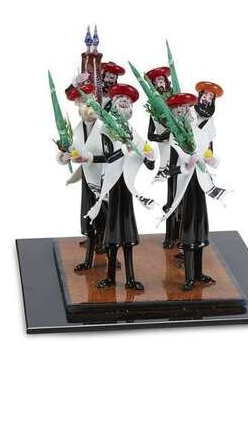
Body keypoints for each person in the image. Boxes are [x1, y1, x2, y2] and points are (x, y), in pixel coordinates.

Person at [85, 84, 156, 290]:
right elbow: (109, 156)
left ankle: (130, 278)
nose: (125, 102)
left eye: (128, 101)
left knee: (127, 233)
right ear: (114, 104)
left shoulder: (133, 132)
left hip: (127, 187)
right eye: (121, 99)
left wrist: (150, 157)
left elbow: (147, 160)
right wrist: (125, 149)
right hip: (113, 185)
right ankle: (110, 277)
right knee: (113, 233)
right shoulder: (106, 129)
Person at [161, 89, 225, 290]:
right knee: (188, 229)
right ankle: (189, 277)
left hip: (200, 185)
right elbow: (170, 169)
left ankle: (198, 273)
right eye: (178, 109)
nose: (183, 111)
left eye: (186, 107)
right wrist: (186, 166)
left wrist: (212, 160)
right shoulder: (174, 137)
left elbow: (209, 154)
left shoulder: (200, 131)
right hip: (185, 186)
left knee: (199, 228)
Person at [56, 79, 107, 271]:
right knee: (89, 220)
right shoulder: (77, 130)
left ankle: (111, 258)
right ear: (78, 105)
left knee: (105, 220)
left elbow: (114, 156)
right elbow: (70, 150)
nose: (88, 107)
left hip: (104, 180)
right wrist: (64, 156)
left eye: (90, 101)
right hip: (87, 180)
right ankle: (88, 260)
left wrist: (90, 157)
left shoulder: (106, 127)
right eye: (83, 102)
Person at [145, 66, 179, 248]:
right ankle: (170, 236)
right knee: (170, 195)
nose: (160, 83)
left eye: (162, 80)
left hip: (179, 153)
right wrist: (163, 136)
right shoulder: (155, 110)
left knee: (179, 192)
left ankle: (180, 235)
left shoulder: (176, 104)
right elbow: (151, 134)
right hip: (166, 154)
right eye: (157, 81)